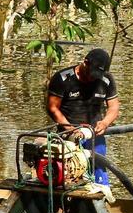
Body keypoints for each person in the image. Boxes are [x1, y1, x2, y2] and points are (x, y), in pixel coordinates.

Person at [47, 48, 120, 186]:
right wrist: (70, 129)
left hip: (94, 134)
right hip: (67, 133)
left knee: (99, 172)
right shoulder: (63, 78)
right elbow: (52, 108)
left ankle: (101, 197)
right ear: (85, 63)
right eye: (91, 74)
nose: (92, 78)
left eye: (96, 76)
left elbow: (114, 107)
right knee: (67, 175)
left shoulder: (106, 80)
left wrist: (105, 122)